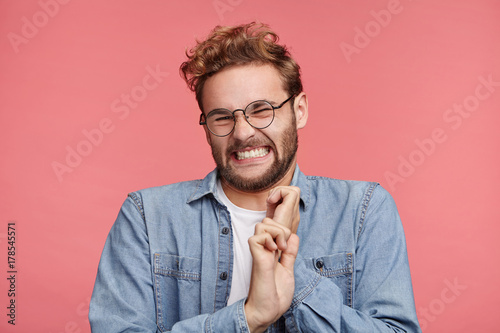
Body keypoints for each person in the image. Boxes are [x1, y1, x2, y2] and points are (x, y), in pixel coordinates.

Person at [89, 22, 421, 332]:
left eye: (261, 110)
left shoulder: (363, 210)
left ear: (299, 110)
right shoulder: (147, 216)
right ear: (206, 127)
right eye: (222, 117)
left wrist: (291, 269)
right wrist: (249, 318)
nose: (243, 132)